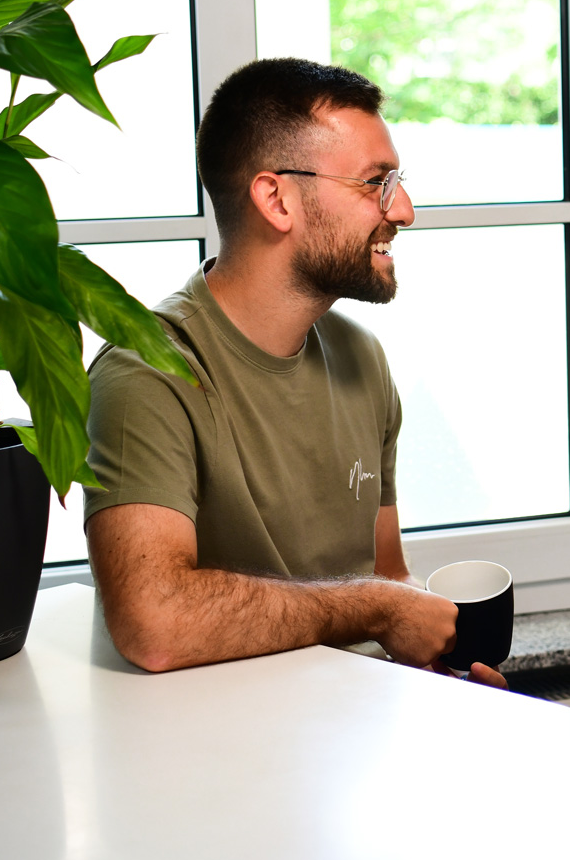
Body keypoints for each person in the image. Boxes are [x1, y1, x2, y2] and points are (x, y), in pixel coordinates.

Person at [84, 57, 501, 684]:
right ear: (276, 198)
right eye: (375, 183)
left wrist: (441, 673)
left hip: (362, 735)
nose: (405, 209)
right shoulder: (147, 372)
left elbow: (387, 579)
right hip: (225, 763)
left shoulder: (363, 358)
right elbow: (154, 624)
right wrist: (379, 609)